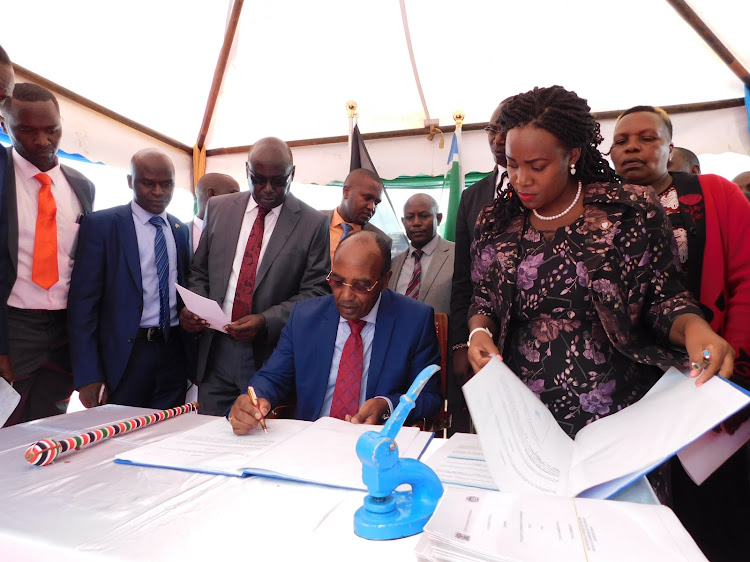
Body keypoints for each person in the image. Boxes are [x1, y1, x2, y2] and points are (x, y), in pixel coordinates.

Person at [468, 86, 733, 438]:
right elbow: (484, 299)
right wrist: (478, 332)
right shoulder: (498, 221)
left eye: (537, 166)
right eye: (512, 165)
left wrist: (696, 329)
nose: (521, 179)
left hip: (619, 413)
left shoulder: (628, 209)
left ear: (572, 154)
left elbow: (665, 298)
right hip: (523, 418)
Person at [611, 105, 750, 561]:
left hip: (712, 374)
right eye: (621, 140)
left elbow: (746, 278)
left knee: (711, 509)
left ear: (670, 147)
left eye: (646, 138)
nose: (632, 146)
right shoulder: (601, 212)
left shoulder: (714, 194)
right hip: (635, 387)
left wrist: (734, 362)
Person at [228, 230, 441, 434]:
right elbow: (273, 378)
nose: (345, 296)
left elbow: (430, 397)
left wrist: (387, 405)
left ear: (385, 281)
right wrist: (253, 401)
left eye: (360, 285)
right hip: (310, 439)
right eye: (337, 282)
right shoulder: (305, 317)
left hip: (374, 443)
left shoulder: (414, 321)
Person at [181, 137, 331, 416]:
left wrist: (266, 321)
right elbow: (200, 270)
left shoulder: (313, 224)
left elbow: (316, 292)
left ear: (292, 174)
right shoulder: (219, 208)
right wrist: (197, 308)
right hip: (216, 351)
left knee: (259, 438)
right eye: (259, 179)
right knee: (208, 438)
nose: (268, 189)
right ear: (246, 171)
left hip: (270, 357)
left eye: (278, 181)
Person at [0, 83, 96, 426]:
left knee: (48, 432)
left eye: (51, 129)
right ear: (4, 125)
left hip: (63, 332)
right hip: (12, 327)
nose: (42, 140)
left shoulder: (81, 186)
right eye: (26, 130)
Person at [68, 150, 192, 409]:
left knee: (167, 434)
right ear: (130, 181)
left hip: (173, 352)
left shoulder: (180, 230)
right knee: (119, 434)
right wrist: (88, 375)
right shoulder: (101, 226)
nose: (158, 191)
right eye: (148, 183)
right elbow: (83, 306)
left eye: (166, 184)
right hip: (125, 355)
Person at [448, 101, 508, 432]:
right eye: (493, 129)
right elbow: (462, 279)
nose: (498, 138)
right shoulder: (472, 197)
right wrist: (461, 342)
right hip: (479, 336)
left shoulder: (547, 192)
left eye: (507, 129)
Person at [388, 193, 454, 314]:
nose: (416, 222)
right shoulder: (393, 264)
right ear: (403, 221)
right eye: (409, 217)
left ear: (438, 218)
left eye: (424, 216)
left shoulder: (457, 255)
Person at [322, 168, 389, 263]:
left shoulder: (381, 242)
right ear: (346, 192)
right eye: (367, 198)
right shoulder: (312, 221)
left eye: (376, 203)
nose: (372, 207)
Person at [191, 173, 240, 252]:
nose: (239, 200)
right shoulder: (180, 232)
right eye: (234, 194)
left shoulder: (238, 233)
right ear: (212, 194)